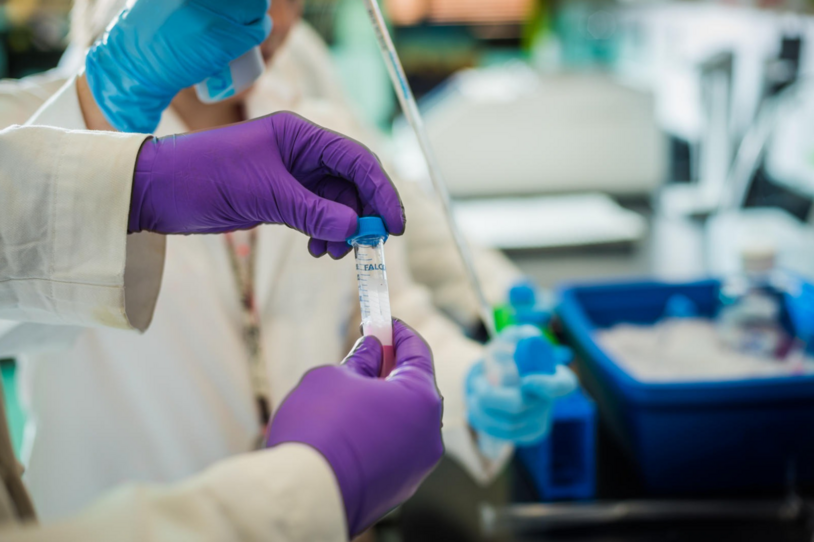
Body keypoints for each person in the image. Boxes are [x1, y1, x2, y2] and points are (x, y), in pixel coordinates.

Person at [0, 0, 576, 523]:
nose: (274, 19)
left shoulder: (320, 124)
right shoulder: (31, 131)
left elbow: (383, 317)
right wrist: (113, 109)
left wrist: (471, 384)